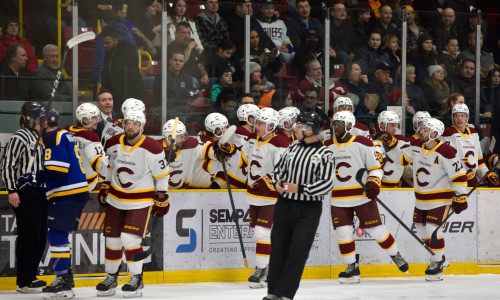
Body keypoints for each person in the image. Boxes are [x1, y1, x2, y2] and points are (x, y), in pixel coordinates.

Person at [324, 111, 408, 284]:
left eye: (339, 124)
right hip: (338, 197)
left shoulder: (363, 143)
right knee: (343, 233)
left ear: (348, 126)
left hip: (361, 196)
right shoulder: (326, 146)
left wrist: (373, 183)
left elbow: (375, 167)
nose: (335, 127)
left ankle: (395, 255)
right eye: (334, 124)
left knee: (376, 230)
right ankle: (351, 267)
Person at [383, 118, 468, 281]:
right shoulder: (416, 147)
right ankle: (441, 258)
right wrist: (391, 145)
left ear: (435, 133)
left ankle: (436, 262)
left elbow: (459, 176)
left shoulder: (446, 152)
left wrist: (460, 197)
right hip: (421, 199)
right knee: (422, 232)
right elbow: (400, 159)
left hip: (440, 199)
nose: (421, 131)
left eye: (425, 129)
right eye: (421, 128)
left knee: (432, 230)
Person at [97, 110, 169, 297]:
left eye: (135, 123)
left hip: (140, 201)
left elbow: (161, 175)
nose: (130, 126)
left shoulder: (153, 148)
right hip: (115, 199)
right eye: (128, 122)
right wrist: (105, 185)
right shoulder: (113, 144)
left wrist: (161, 197)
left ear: (142, 126)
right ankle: (111, 277)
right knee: (112, 241)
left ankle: (136, 278)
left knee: (130, 240)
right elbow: (109, 168)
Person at [264, 112, 335, 300]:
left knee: (298, 250)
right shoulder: (292, 148)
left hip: (308, 209)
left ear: (309, 129)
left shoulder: (325, 153)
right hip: (284, 205)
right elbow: (277, 170)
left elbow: (327, 183)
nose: (294, 128)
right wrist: (276, 182)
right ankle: (272, 293)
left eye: (298, 125)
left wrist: (300, 188)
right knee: (278, 248)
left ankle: (285, 294)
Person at [39, 107, 90, 298]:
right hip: (73, 192)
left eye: (36, 122)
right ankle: (65, 277)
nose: (34, 126)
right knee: (57, 234)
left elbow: (57, 171)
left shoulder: (52, 138)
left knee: (56, 234)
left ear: (44, 123)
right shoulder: (63, 135)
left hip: (67, 192)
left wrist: (37, 176)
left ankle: (64, 281)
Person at [0, 101, 47, 294]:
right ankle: (24, 280)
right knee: (29, 235)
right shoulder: (20, 137)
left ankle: (32, 275)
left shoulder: (41, 138)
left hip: (41, 192)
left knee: (40, 235)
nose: (43, 122)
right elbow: (7, 164)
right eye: (40, 119)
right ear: (31, 119)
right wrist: (12, 190)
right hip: (25, 192)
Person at [243, 107, 290, 288]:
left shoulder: (280, 143)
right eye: (257, 122)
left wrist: (267, 180)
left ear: (271, 126)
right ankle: (271, 269)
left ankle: (261, 269)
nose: (257, 125)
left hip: (272, 197)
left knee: (261, 232)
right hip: (254, 195)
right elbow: (246, 162)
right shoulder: (253, 140)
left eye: (261, 123)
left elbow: (284, 170)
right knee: (262, 233)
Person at [441, 104, 499, 187]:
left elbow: (479, 162)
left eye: (462, 115)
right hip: (454, 183)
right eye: (456, 115)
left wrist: (487, 175)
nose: (459, 118)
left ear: (467, 117)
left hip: (473, 181)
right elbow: (449, 162)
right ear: (452, 118)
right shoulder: (448, 133)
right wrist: (464, 176)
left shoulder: (474, 133)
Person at [100, 26, 145, 112]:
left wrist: (124, 103)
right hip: (116, 99)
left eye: (107, 43)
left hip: (129, 100)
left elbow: (127, 82)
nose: (105, 46)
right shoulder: (109, 54)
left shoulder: (126, 54)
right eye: (103, 43)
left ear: (116, 40)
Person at [65, 103, 108, 192]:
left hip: (68, 182)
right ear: (84, 120)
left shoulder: (65, 130)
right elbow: (101, 165)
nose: (98, 120)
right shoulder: (90, 137)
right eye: (94, 117)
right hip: (88, 184)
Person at [167, 22, 210, 88]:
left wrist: (205, 75)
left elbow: (198, 63)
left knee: (216, 81)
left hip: (198, 80)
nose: (187, 36)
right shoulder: (172, 47)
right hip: (182, 81)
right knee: (193, 81)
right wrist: (189, 47)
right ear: (176, 34)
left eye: (188, 33)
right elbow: (181, 62)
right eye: (183, 33)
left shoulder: (191, 46)